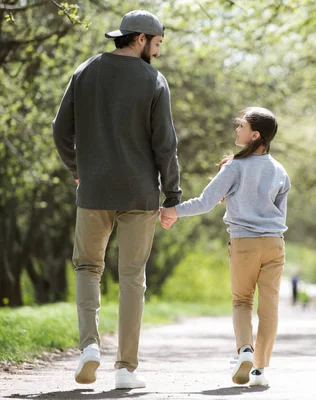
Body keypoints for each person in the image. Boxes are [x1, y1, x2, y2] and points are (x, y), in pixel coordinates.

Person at [52, 9, 181, 390]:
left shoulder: (86, 70)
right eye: (156, 44)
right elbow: (166, 146)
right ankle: (125, 369)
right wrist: (172, 194)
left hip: (94, 191)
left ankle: (89, 347)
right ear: (141, 39)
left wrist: (78, 168)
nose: (157, 53)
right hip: (140, 194)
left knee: (88, 268)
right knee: (132, 278)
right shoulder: (154, 80)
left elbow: (61, 129)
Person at [161, 107, 290, 387]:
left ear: (255, 134)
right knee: (269, 308)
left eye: (240, 126)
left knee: (242, 301)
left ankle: (245, 351)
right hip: (274, 244)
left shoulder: (235, 167)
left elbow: (206, 202)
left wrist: (172, 211)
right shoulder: (280, 171)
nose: (236, 130)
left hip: (244, 243)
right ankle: (259, 371)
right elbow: (281, 216)